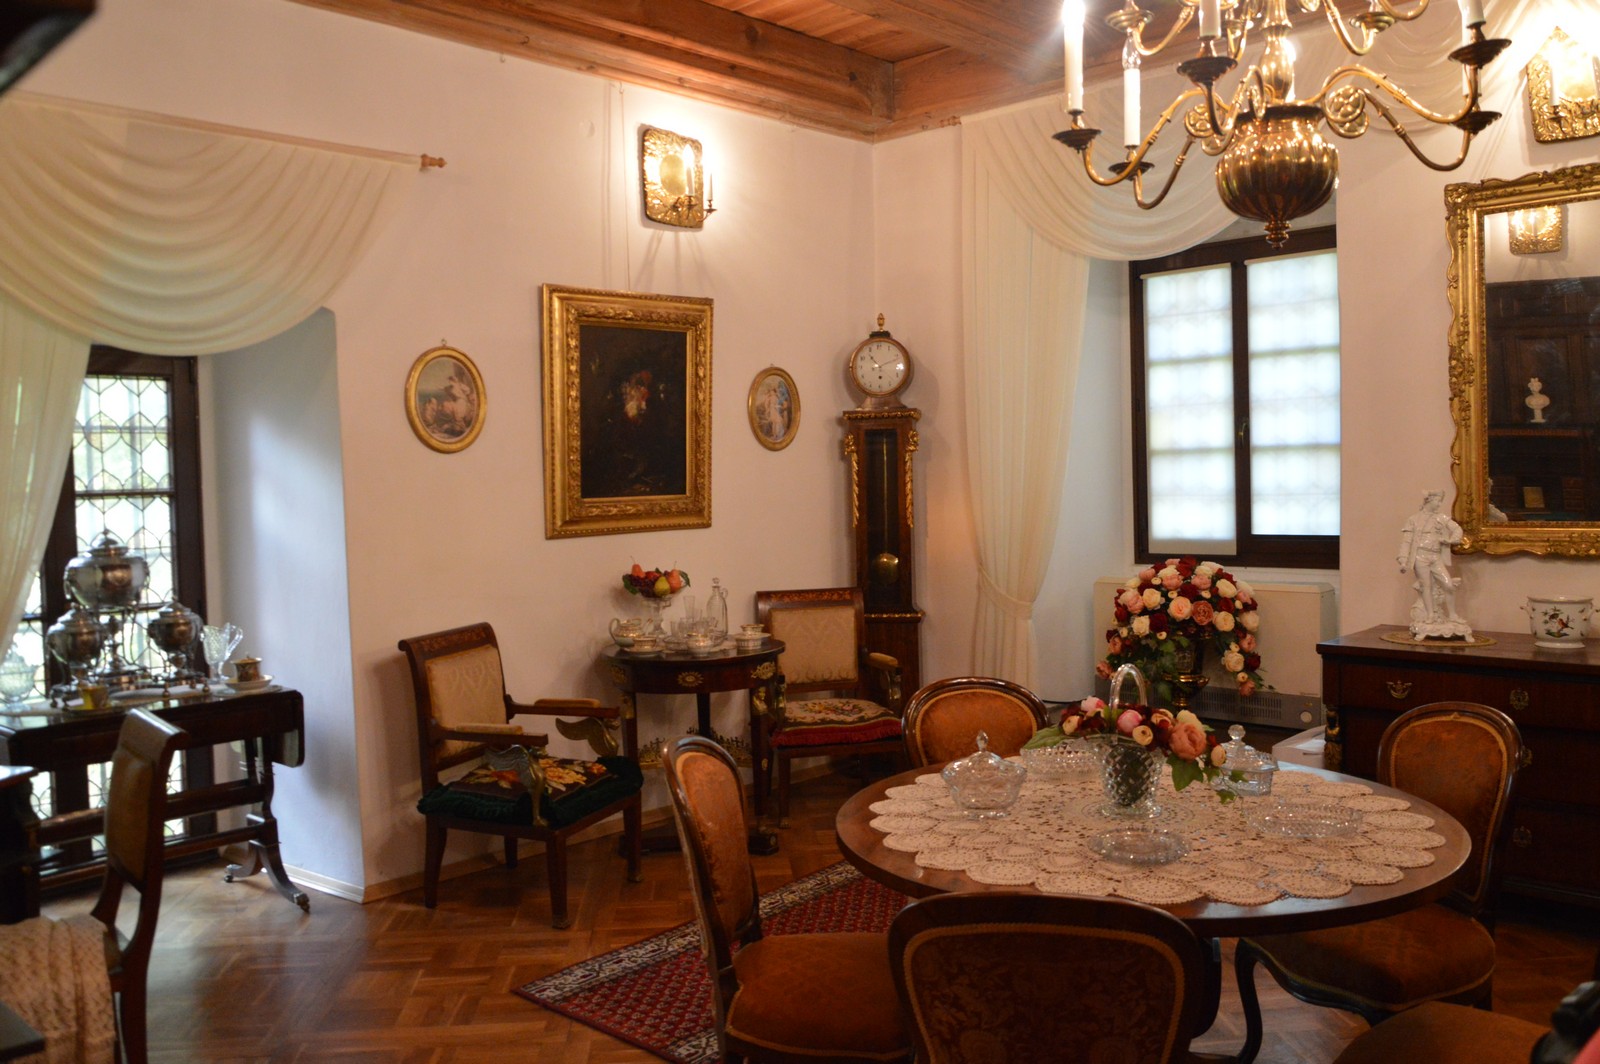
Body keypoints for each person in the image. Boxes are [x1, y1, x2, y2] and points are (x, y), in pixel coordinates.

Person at [1397, 490, 1470, 638]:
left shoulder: (1441, 518)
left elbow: (1457, 529)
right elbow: (1406, 542)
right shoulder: (1414, 519)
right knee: (1426, 586)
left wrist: (1451, 540)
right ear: (1429, 501)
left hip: (1435, 556)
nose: (1439, 504)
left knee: (1448, 584)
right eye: (1437, 501)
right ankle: (1430, 615)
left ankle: (1453, 615)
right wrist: (1403, 560)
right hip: (1420, 556)